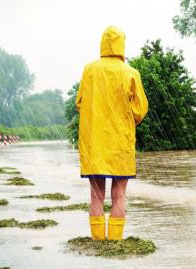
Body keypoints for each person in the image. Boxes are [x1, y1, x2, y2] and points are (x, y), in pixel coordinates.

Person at [76, 26, 148, 241]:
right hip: (121, 143)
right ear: (122, 45)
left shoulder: (90, 70)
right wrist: (125, 118)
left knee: (96, 196)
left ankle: (98, 244)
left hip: (94, 142)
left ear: (103, 43)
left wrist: (97, 113)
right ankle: (115, 242)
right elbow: (140, 109)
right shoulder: (131, 73)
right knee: (119, 195)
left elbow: (79, 103)